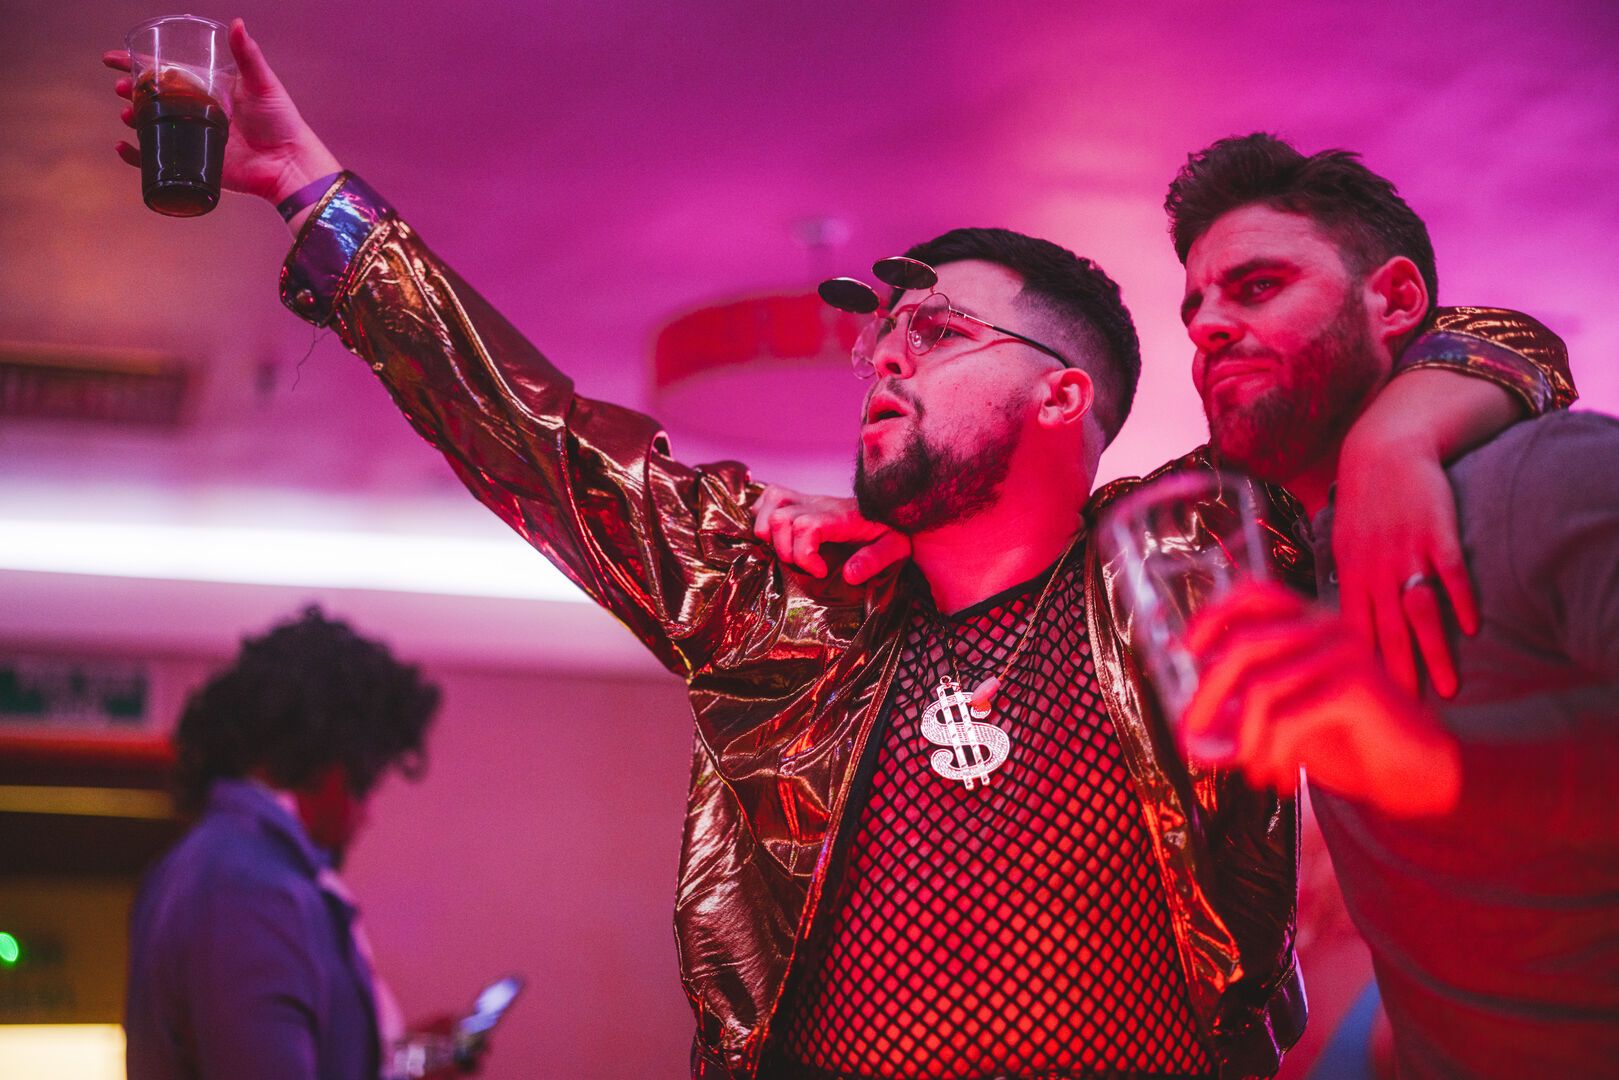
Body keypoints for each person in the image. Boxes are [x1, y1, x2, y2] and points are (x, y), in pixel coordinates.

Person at [103, 24, 1572, 1079]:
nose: (881, 357)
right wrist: (314, 194)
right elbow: (533, 436)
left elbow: (1483, 338)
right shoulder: (779, 600)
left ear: (1064, 398)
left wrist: (1392, 442)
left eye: (934, 331)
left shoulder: (1192, 550)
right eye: (878, 336)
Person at [1159, 134, 1619, 1077]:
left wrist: (1445, 772)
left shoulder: (1551, 479)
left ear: (1397, 302)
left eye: (1257, 286)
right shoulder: (1282, 559)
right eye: (1195, 306)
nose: (1206, 326)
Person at [124, 606, 442, 1080]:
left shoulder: (204, 866)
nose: (367, 814)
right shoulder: (249, 891)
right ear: (332, 765)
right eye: (365, 784)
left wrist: (406, 1065)